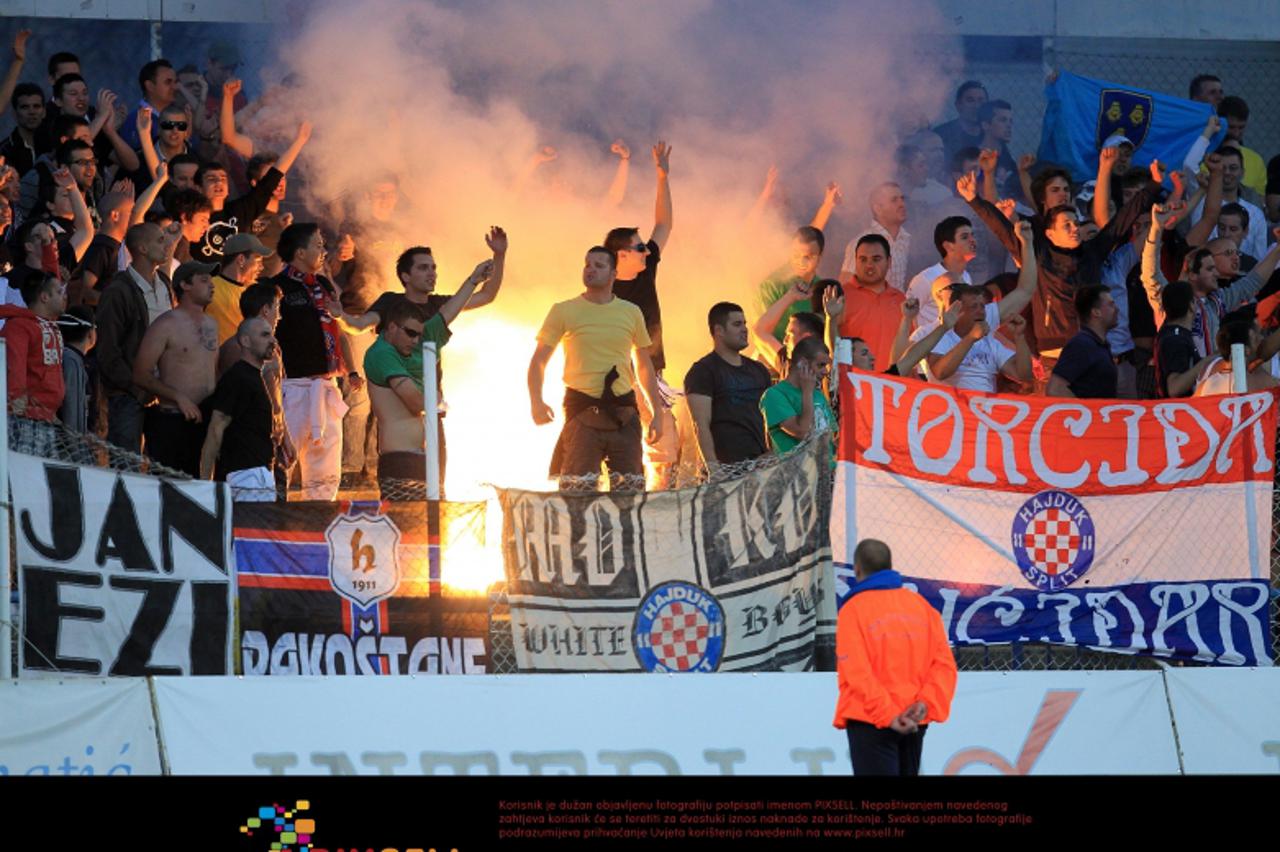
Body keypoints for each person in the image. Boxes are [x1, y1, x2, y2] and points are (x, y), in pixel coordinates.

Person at [528, 246, 663, 491]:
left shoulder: (631, 312)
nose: (590, 270)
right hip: (582, 413)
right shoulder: (564, 310)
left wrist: (657, 413)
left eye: (599, 266)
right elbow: (539, 361)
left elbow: (644, 365)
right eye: (587, 264)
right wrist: (536, 401)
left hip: (624, 414)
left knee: (630, 494)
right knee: (577, 494)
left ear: (613, 274)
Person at [834, 538, 957, 776]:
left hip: (870, 719)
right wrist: (924, 704)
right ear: (890, 566)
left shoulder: (853, 610)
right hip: (914, 719)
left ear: (857, 569)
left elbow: (856, 671)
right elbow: (944, 666)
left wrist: (889, 715)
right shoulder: (922, 607)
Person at [363, 275, 488, 500]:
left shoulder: (405, 348)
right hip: (399, 461)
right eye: (410, 333)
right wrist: (436, 398)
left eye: (419, 335)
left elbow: (449, 312)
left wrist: (473, 280)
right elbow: (415, 403)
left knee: (430, 519)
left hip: (419, 457)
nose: (415, 340)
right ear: (392, 327)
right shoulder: (382, 353)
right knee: (408, 521)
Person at [269, 223, 359, 500]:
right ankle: (274, 515)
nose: (324, 251)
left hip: (327, 386)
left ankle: (320, 516)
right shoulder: (275, 287)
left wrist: (352, 371)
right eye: (318, 245)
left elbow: (338, 329)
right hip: (292, 387)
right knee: (282, 459)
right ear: (299, 252)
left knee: (326, 467)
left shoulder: (323, 285)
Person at [922, 219, 1038, 392]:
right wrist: (970, 338)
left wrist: (1027, 243)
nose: (980, 310)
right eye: (954, 288)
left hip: (984, 407)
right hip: (948, 406)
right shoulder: (930, 332)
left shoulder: (987, 332)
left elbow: (1025, 291)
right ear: (937, 295)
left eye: (964, 286)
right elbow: (938, 372)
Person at [131, 261, 219, 475]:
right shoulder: (165, 324)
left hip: (206, 418)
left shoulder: (212, 324)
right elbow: (140, 374)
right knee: (170, 484)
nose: (212, 285)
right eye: (204, 280)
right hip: (174, 420)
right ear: (185, 285)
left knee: (201, 485)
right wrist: (178, 397)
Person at [96, 221, 176, 451]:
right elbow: (107, 349)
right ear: (142, 248)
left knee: (158, 461)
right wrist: (134, 387)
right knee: (126, 461)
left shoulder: (164, 284)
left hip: (161, 392)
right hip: (129, 395)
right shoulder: (118, 291)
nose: (167, 245)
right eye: (160, 240)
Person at [191, 122, 310, 264]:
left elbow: (272, 178)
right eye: (211, 179)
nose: (218, 182)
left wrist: (300, 141)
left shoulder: (239, 211)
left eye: (223, 178)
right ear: (198, 188)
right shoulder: (189, 216)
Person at [199, 316, 285, 500]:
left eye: (271, 335)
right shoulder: (238, 378)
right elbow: (215, 430)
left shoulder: (252, 376)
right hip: (245, 477)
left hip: (257, 475)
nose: (272, 340)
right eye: (264, 335)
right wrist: (205, 485)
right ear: (246, 341)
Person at [684, 301, 773, 476]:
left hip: (762, 467)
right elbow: (700, 425)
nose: (745, 329)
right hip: (726, 472)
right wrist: (714, 470)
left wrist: (772, 454)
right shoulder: (702, 371)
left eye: (745, 324)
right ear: (719, 330)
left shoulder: (759, 370)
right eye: (737, 324)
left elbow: (772, 417)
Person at [824, 234, 904, 372]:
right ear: (855, 261)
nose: (869, 265)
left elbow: (909, 347)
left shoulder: (900, 299)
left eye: (876, 259)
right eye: (863, 259)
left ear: (889, 262)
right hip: (852, 381)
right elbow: (830, 350)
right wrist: (830, 319)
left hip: (891, 383)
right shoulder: (840, 296)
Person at [0, 271, 66, 421]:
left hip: (47, 415)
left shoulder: (50, 325)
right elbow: (14, 366)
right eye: (59, 292)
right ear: (44, 297)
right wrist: (15, 403)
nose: (64, 296)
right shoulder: (18, 327)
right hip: (25, 418)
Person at [759, 336, 834, 457]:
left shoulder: (818, 394)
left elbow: (831, 438)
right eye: (820, 365)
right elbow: (803, 432)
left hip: (826, 467)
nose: (825, 371)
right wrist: (807, 393)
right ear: (803, 364)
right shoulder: (774, 395)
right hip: (798, 468)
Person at [1047, 285, 1119, 398]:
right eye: (1111, 304)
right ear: (1096, 312)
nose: (1117, 309)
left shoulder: (1099, 345)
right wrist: (1086, 408)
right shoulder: (1081, 345)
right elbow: (1055, 390)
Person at [904, 216, 976, 330]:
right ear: (948, 246)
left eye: (972, 235)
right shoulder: (925, 279)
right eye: (965, 237)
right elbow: (906, 318)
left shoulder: (967, 277)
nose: (972, 240)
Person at [841, 183, 911, 293]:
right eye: (894, 200)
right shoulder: (861, 243)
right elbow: (845, 288)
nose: (902, 204)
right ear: (878, 209)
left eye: (902, 199)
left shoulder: (905, 239)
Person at [1195, 311, 1279, 395]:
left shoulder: (1205, 385)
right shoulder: (1264, 382)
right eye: (1255, 339)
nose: (1262, 338)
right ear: (1245, 350)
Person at [1153, 281, 1213, 398]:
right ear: (1191, 306)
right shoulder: (1175, 340)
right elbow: (1174, 388)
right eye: (1194, 301)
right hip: (1177, 408)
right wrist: (1206, 363)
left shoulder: (1171, 333)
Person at [208, 232, 270, 344]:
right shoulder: (209, 288)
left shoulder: (255, 290)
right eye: (258, 261)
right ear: (241, 259)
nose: (261, 267)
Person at [56, 305, 95, 432]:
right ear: (90, 333)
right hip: (69, 439)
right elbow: (71, 409)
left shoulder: (66, 356)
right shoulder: (72, 362)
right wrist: (75, 440)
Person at [933, 80, 987, 165]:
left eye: (981, 101)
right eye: (970, 100)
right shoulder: (941, 135)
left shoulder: (992, 135)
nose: (976, 106)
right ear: (958, 105)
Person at [1, 82, 47, 177]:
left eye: (36, 106)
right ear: (14, 113)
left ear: (44, 112)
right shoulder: (5, 151)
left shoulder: (52, 146)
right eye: (25, 107)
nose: (32, 112)